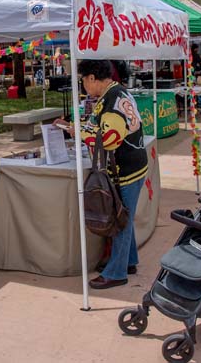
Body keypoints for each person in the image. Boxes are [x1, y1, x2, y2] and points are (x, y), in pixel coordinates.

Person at [54, 60, 147, 289]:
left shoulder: (112, 101)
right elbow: (103, 128)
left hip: (126, 169)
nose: (84, 86)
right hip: (132, 165)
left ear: (92, 78)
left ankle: (117, 273)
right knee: (124, 214)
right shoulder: (116, 92)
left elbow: (109, 139)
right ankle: (129, 261)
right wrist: (77, 128)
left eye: (83, 81)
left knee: (121, 220)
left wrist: (80, 133)